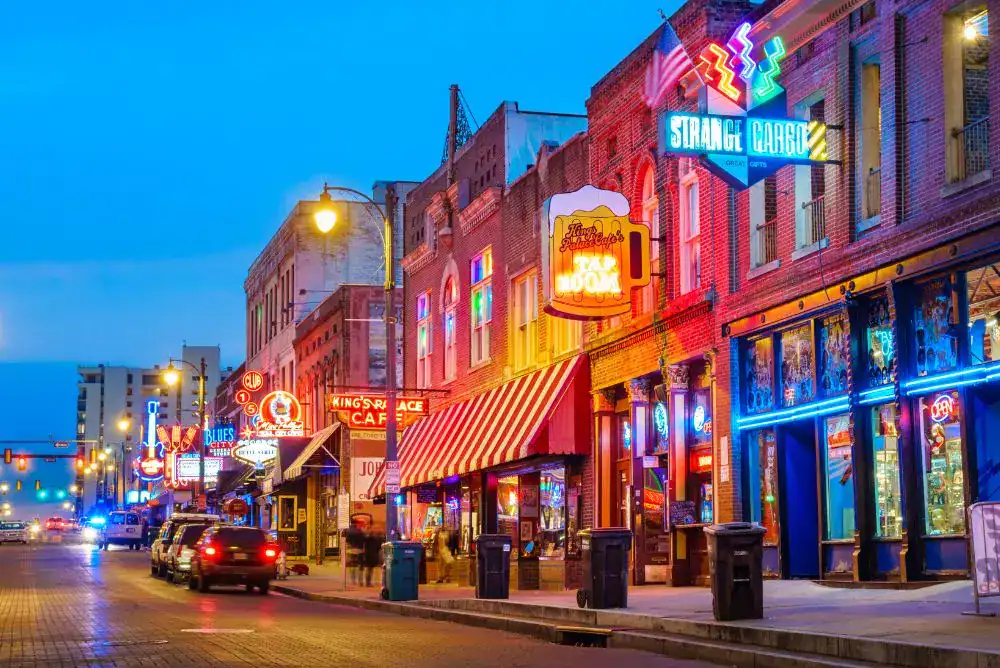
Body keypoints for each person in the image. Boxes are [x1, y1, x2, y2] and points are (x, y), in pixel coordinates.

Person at [344, 519, 365, 586]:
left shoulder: (348, 531)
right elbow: (363, 540)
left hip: (351, 550)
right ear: (356, 523)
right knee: (360, 566)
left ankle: (353, 580)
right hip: (360, 550)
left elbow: (347, 541)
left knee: (352, 566)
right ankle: (360, 581)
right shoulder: (360, 531)